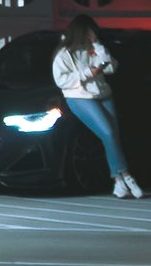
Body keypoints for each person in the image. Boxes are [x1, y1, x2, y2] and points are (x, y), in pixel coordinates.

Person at [51, 13, 140, 196]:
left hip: (103, 94)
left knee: (112, 136)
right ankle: (127, 176)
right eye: (88, 32)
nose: (91, 35)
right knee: (107, 132)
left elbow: (111, 67)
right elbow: (61, 81)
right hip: (79, 97)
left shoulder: (94, 47)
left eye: (93, 32)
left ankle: (118, 181)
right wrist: (88, 73)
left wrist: (98, 46)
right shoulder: (64, 53)